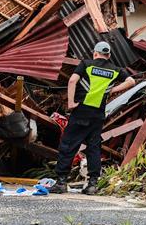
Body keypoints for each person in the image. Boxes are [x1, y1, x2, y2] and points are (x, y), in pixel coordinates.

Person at [50, 41, 136, 194]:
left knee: (69, 145)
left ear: (95, 53)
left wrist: (71, 102)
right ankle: (92, 185)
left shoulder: (87, 64)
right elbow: (131, 81)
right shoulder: (115, 70)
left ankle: (61, 182)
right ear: (108, 55)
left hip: (81, 110)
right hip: (98, 115)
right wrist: (113, 89)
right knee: (94, 148)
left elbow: (72, 80)